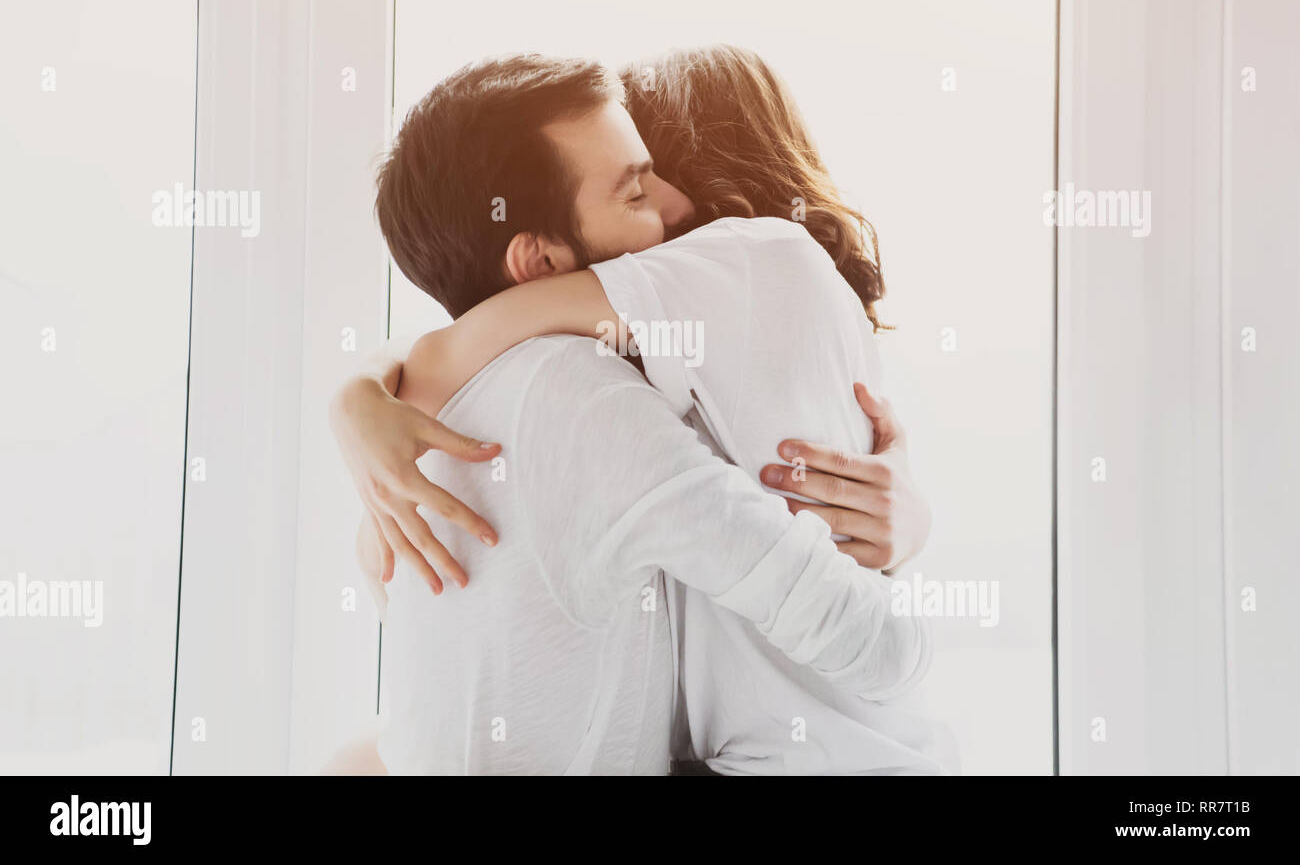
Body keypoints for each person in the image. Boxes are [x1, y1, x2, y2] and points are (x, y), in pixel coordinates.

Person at [331, 50, 944, 774]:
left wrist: (367, 395)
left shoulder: (754, 263)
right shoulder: (591, 387)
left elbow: (487, 328)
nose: (674, 207)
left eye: (661, 170)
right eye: (637, 189)